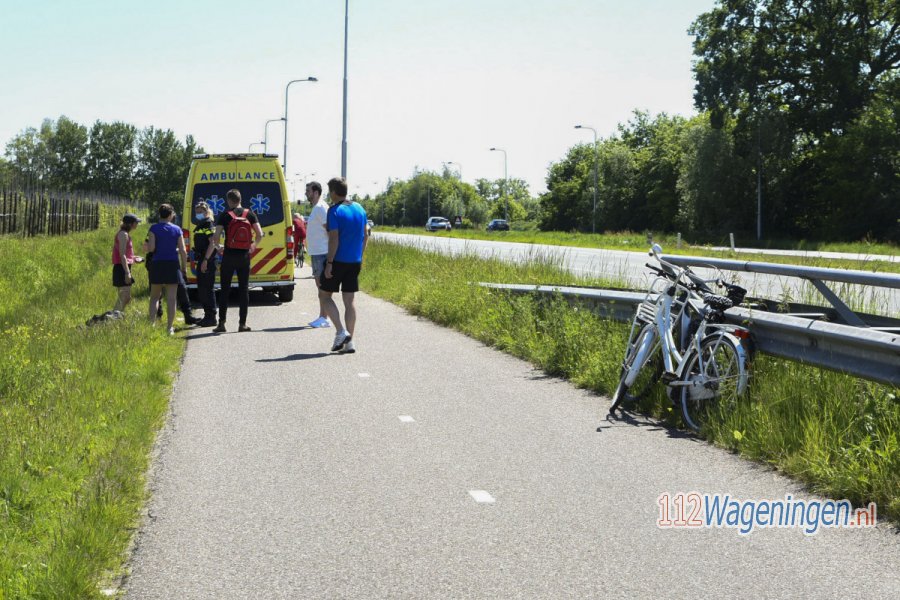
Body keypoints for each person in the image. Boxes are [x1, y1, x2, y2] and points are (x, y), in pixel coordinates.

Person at [320, 177, 368, 353]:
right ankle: (350, 342)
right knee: (350, 301)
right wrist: (360, 256)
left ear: (333, 192)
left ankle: (341, 331)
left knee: (324, 296)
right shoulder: (360, 208)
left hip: (338, 261)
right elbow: (366, 235)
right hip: (354, 261)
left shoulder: (334, 211)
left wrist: (329, 263)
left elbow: (334, 238)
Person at [205, 189, 264, 333]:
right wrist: (253, 246)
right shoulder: (249, 214)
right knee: (244, 290)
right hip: (244, 256)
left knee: (225, 289)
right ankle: (242, 324)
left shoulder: (225, 216)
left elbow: (216, 236)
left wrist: (219, 248)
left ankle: (222, 324)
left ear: (229, 200)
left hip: (229, 256)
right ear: (240, 199)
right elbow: (260, 233)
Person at [147, 204, 189, 335]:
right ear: (171, 215)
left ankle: (152, 325)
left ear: (159, 214)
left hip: (157, 264)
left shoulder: (153, 228)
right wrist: (184, 268)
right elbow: (183, 250)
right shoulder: (177, 229)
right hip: (172, 264)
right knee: (171, 298)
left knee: (154, 297)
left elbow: (152, 248)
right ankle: (169, 327)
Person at [305, 181, 331, 328]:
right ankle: (323, 316)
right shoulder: (318, 208)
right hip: (318, 252)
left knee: (322, 287)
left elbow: (330, 230)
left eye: (308, 191)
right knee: (321, 287)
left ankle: (324, 317)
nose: (306, 194)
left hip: (322, 253)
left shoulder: (320, 208)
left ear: (316, 192)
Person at [192, 201, 219, 326]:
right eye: (196, 212)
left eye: (200, 212)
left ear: (206, 212)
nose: (198, 214)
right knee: (202, 289)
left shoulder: (208, 224)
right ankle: (207, 315)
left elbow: (212, 243)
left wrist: (206, 260)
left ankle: (211, 317)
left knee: (207, 289)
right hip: (202, 259)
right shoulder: (201, 224)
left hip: (207, 260)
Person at [112, 213, 143, 312]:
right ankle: (113, 318)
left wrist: (134, 258)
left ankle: (117, 316)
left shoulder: (125, 234)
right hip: (121, 268)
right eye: (136, 222)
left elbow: (125, 254)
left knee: (126, 297)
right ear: (130, 224)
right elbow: (122, 255)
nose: (137, 224)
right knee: (124, 296)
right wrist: (127, 273)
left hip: (124, 266)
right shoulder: (123, 234)